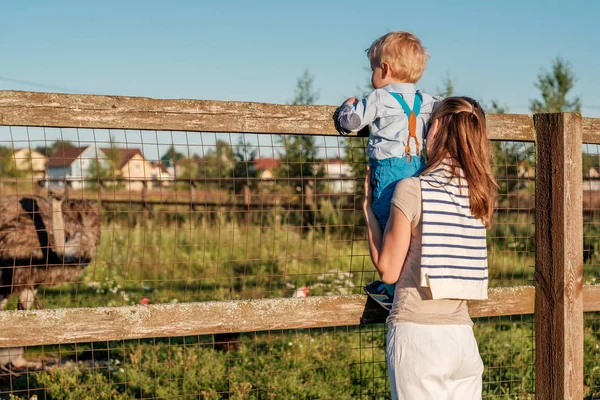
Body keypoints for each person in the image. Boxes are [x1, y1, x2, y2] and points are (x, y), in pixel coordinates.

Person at [363, 96, 497, 399]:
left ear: (436, 127)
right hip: (463, 339)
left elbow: (388, 269)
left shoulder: (413, 189)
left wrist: (370, 214)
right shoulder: (479, 194)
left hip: (418, 338)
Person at [334, 31, 440, 309]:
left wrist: (348, 106)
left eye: (373, 69)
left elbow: (352, 122)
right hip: (419, 170)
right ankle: (405, 281)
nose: (372, 75)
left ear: (385, 69)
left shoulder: (380, 98)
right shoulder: (429, 102)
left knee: (386, 222)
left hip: (389, 172)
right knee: (413, 227)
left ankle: (391, 288)